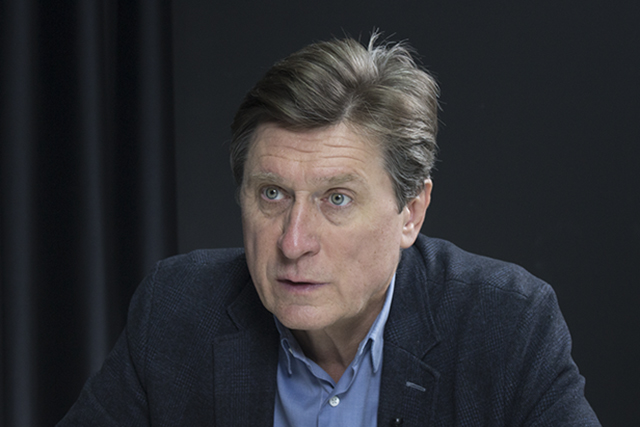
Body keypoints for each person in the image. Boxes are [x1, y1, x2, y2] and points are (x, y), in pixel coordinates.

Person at [58, 33, 600, 426]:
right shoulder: (177, 311)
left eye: (336, 199)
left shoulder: (506, 327)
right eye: (273, 194)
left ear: (411, 212)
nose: (293, 243)